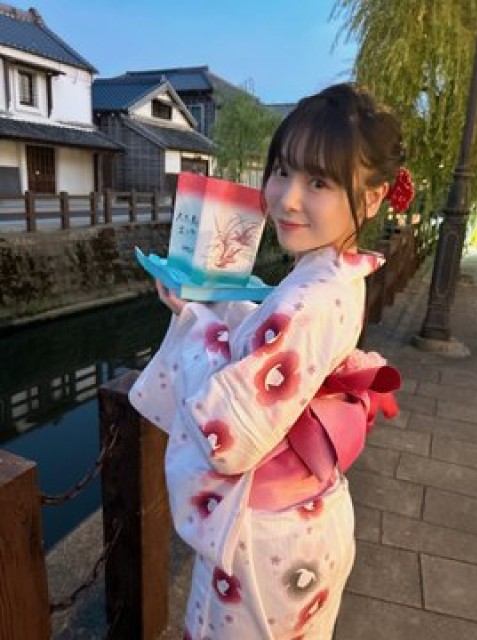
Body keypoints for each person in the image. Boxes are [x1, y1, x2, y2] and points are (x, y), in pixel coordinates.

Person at [129, 82, 406, 639]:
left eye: (319, 182)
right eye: (282, 171)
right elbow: (270, 342)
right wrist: (210, 307)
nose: (287, 198)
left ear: (373, 197)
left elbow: (228, 435)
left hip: (268, 544)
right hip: (305, 521)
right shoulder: (336, 275)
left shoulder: (311, 297)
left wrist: (195, 320)